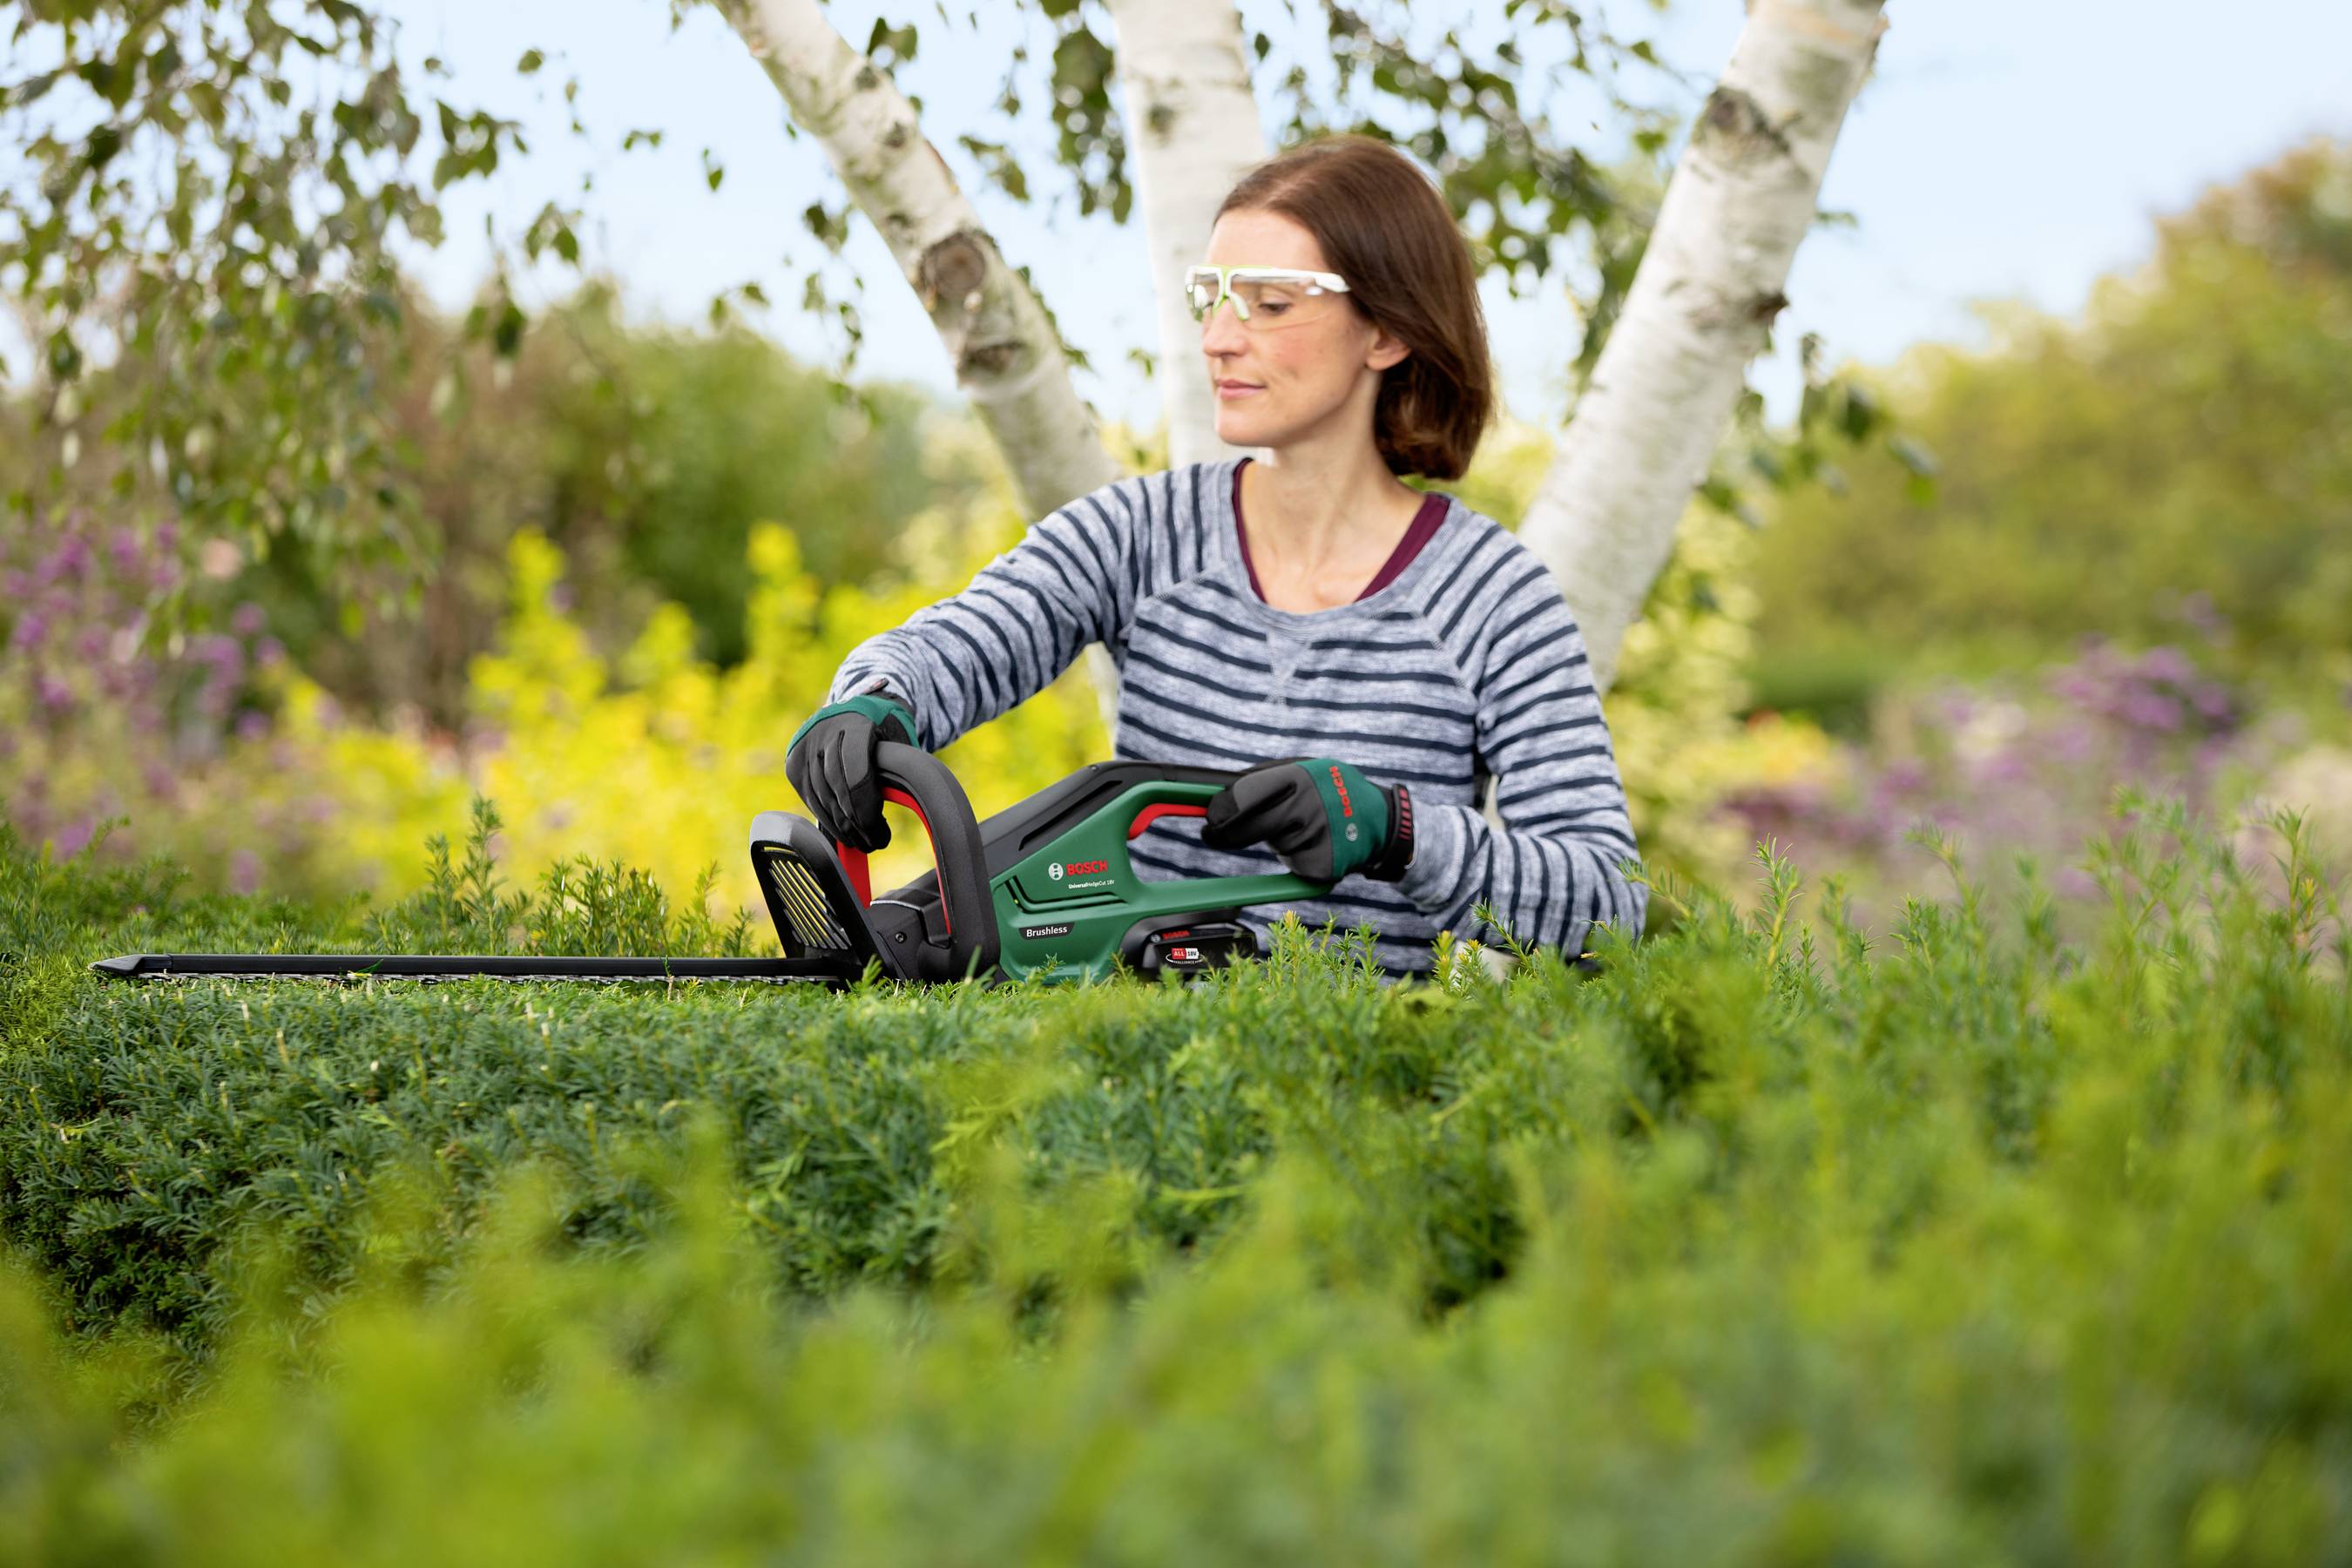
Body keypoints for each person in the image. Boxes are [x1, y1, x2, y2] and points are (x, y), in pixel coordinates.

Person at [787, 133, 1646, 978]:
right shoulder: (1145, 533)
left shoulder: (1494, 600)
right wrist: (875, 703)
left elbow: (1608, 906)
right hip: (1130, 1077)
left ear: (1386, 332)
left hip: (1355, 1097)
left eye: (1270, 305)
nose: (1219, 339)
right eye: (1214, 297)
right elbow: (969, 635)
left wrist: (1398, 830)